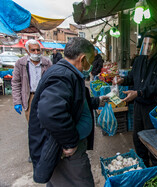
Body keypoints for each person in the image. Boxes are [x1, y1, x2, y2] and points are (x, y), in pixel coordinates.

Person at [28, 37, 108, 186]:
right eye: (90, 60)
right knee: (81, 183)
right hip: (66, 149)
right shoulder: (63, 75)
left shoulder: (68, 72)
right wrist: (69, 142)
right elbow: (51, 113)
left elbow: (75, 102)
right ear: (83, 58)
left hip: (66, 145)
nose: (90, 65)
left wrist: (97, 101)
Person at [113, 31, 157, 167]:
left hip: (153, 106)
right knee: (137, 136)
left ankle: (156, 166)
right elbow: (132, 77)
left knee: (152, 138)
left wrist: (138, 93)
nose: (147, 46)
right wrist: (122, 80)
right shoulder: (139, 60)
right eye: (145, 43)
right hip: (138, 105)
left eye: (150, 44)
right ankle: (143, 164)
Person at [11, 39, 52, 162]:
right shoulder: (21, 63)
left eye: (38, 49)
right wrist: (17, 101)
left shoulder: (47, 62)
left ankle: (46, 151)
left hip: (44, 97)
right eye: (33, 50)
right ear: (27, 50)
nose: (36, 52)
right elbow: (16, 82)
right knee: (33, 127)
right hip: (30, 97)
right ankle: (34, 152)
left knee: (47, 124)